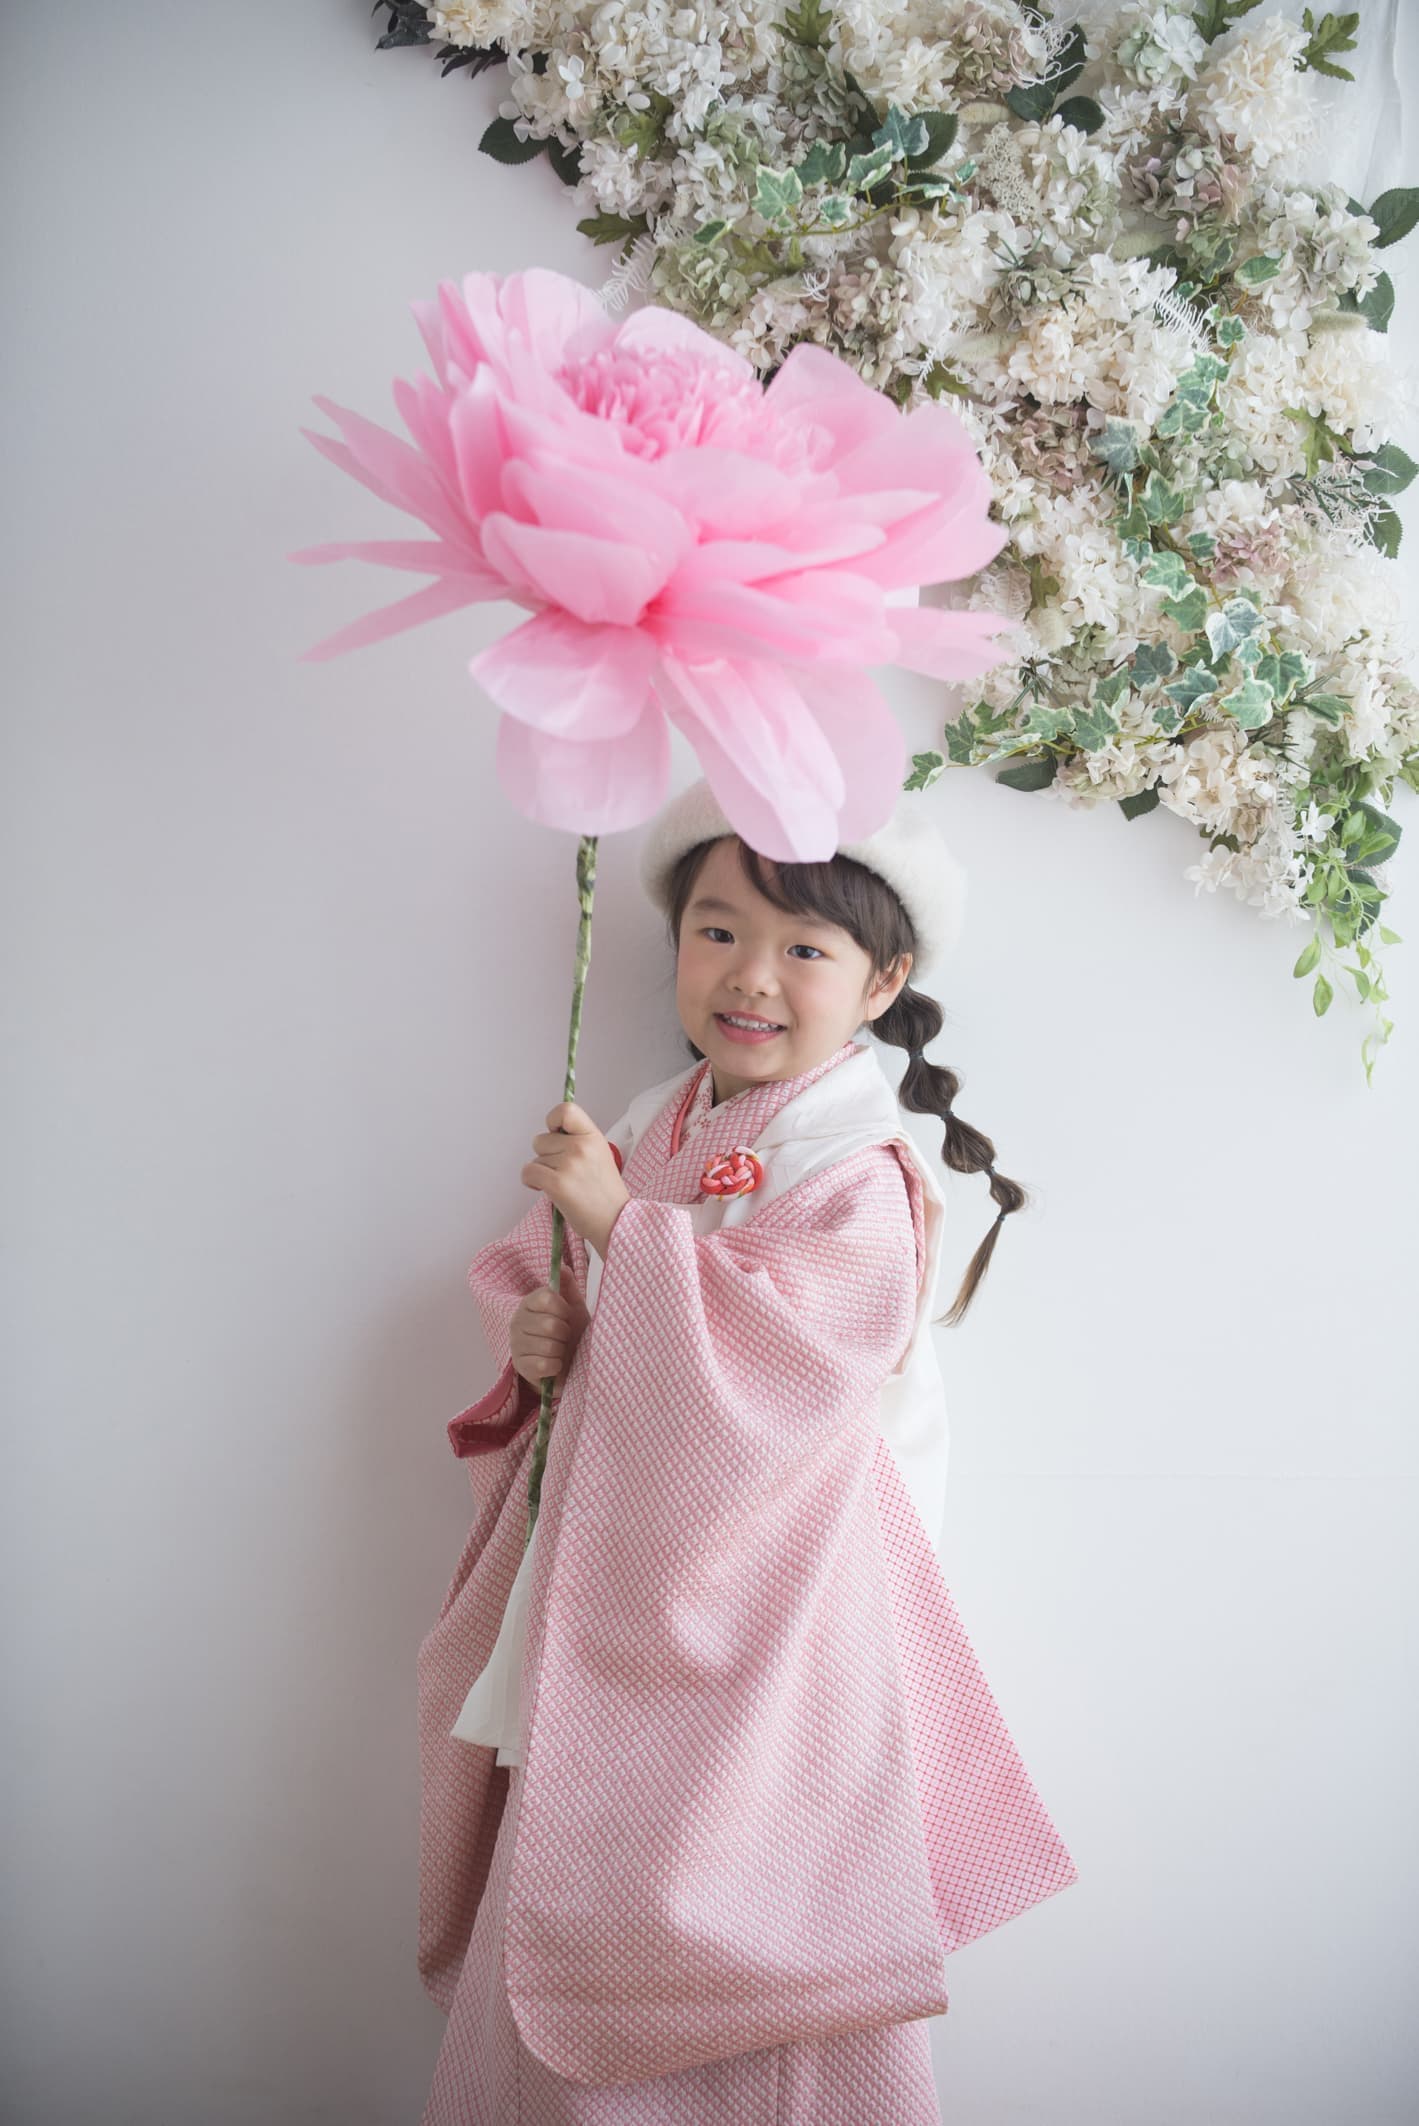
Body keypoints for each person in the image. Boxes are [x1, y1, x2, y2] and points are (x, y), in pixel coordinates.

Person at [417, 778, 1078, 2125]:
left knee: (755, 1897)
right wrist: (546, 1331)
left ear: (883, 980)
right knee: (574, 1851)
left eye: (804, 947)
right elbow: (549, 1281)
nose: (751, 976)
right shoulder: (656, 1117)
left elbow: (799, 1357)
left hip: (777, 1608)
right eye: (717, 931)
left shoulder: (859, 1166)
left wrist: (624, 1231)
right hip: (615, 1580)